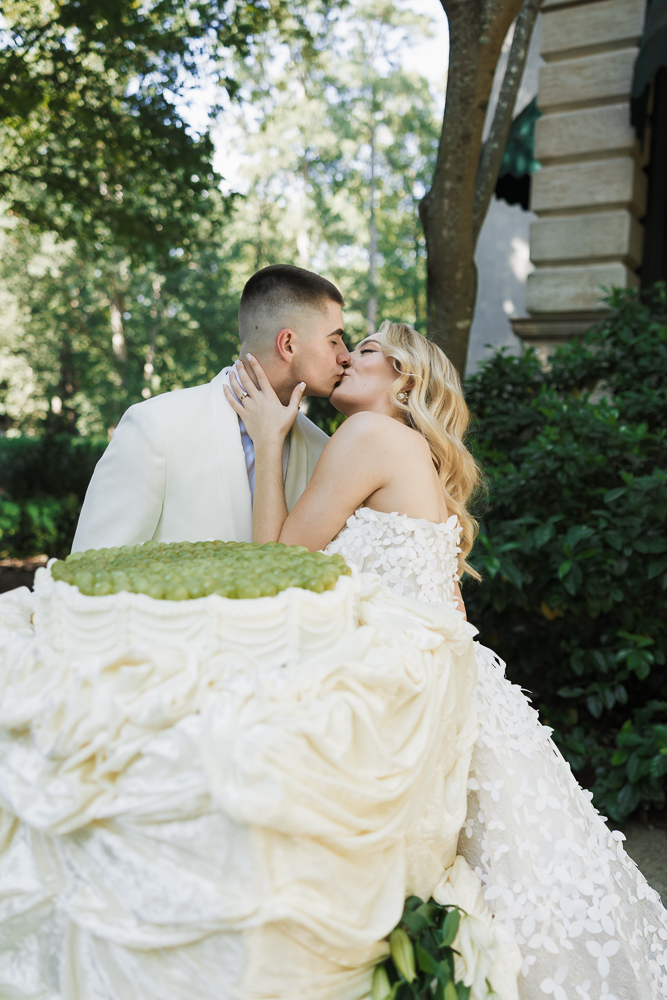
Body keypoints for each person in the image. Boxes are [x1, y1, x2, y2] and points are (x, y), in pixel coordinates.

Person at [226, 319, 667, 1000]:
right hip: (448, 679)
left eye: (365, 350)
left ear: (402, 378)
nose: (345, 359)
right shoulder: (414, 456)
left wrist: (267, 437)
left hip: (408, 687)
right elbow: (447, 601)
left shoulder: (369, 435)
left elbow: (276, 564)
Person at [71, 264, 350, 551]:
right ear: (288, 344)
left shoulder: (324, 449)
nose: (346, 355)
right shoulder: (157, 427)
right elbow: (90, 567)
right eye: (334, 340)